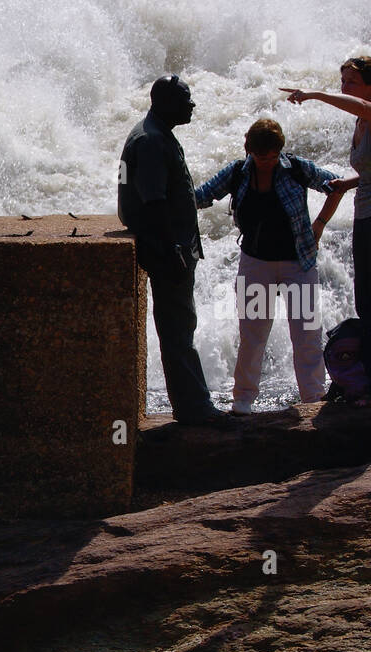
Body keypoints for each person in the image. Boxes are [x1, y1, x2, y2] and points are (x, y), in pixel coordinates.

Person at [282, 56, 371, 407]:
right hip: (367, 218)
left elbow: (356, 106)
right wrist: (349, 182)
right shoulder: (360, 121)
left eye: (352, 81)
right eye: (342, 80)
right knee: (367, 299)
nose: (345, 86)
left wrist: (314, 94)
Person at [194, 118, 343, 414]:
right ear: (249, 150)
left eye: (273, 156)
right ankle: (243, 401)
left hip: (297, 263)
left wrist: (321, 223)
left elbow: (335, 186)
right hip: (256, 263)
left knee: (306, 334)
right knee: (253, 335)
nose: (266, 161)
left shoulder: (297, 168)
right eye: (261, 156)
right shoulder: (238, 172)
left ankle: (313, 398)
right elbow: (202, 195)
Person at [118, 74, 227, 425]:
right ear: (165, 102)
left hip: (168, 247)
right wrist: (174, 250)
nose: (191, 105)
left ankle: (192, 405)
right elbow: (153, 203)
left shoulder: (154, 133)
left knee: (180, 328)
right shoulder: (151, 141)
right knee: (179, 330)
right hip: (167, 251)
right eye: (186, 99)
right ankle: (195, 410)